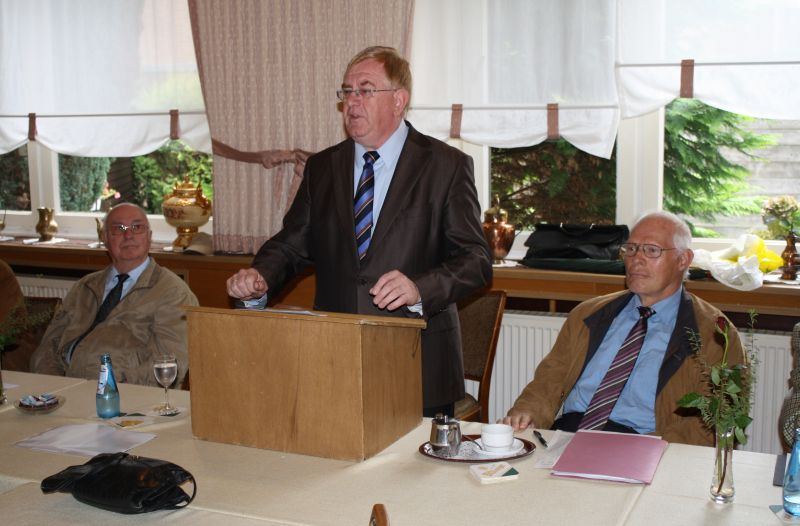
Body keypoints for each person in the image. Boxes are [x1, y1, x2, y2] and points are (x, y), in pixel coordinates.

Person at [226, 46, 492, 416]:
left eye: (365, 90)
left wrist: (419, 288)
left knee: (414, 474)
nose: (352, 101)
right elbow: (292, 242)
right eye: (346, 91)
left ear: (399, 100)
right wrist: (259, 276)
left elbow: (475, 260)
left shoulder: (445, 166)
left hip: (417, 359)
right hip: (335, 357)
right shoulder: (323, 167)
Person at [501, 211, 745, 446]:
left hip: (647, 442)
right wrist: (527, 412)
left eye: (651, 250)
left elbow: (713, 422)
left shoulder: (716, 334)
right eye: (631, 248)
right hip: (570, 433)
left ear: (683, 260)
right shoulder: (588, 315)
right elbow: (550, 378)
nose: (636, 259)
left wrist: (652, 448)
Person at [31, 203, 198, 386]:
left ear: (149, 237)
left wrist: (108, 387)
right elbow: (48, 346)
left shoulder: (172, 293)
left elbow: (170, 365)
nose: (128, 235)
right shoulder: (85, 286)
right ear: (105, 239)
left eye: (137, 227)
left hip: (123, 396)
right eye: (118, 229)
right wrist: (53, 387)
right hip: (64, 391)